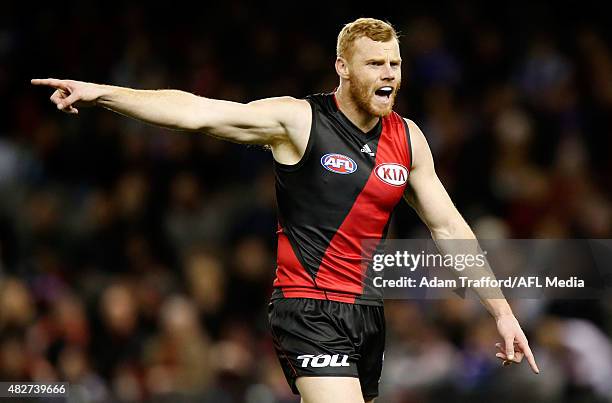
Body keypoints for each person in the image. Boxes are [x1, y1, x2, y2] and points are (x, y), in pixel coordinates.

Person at [32, 17, 539, 403]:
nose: (389, 75)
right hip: (308, 309)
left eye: (395, 64)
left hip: (367, 315)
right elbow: (199, 112)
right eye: (374, 64)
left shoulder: (408, 140)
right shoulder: (299, 121)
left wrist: (501, 310)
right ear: (342, 67)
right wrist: (103, 94)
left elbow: (449, 226)